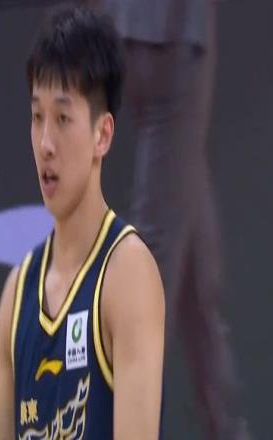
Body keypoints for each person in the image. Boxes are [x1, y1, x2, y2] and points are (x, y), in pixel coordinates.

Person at [0, 6, 165, 439]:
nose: (46, 143)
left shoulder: (126, 273)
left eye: (62, 119)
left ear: (103, 134)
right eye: (37, 117)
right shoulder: (18, 292)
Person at [77, 0, 251, 437]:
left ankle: (226, 427)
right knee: (154, 264)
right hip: (176, 38)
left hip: (131, 34)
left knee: (197, 276)